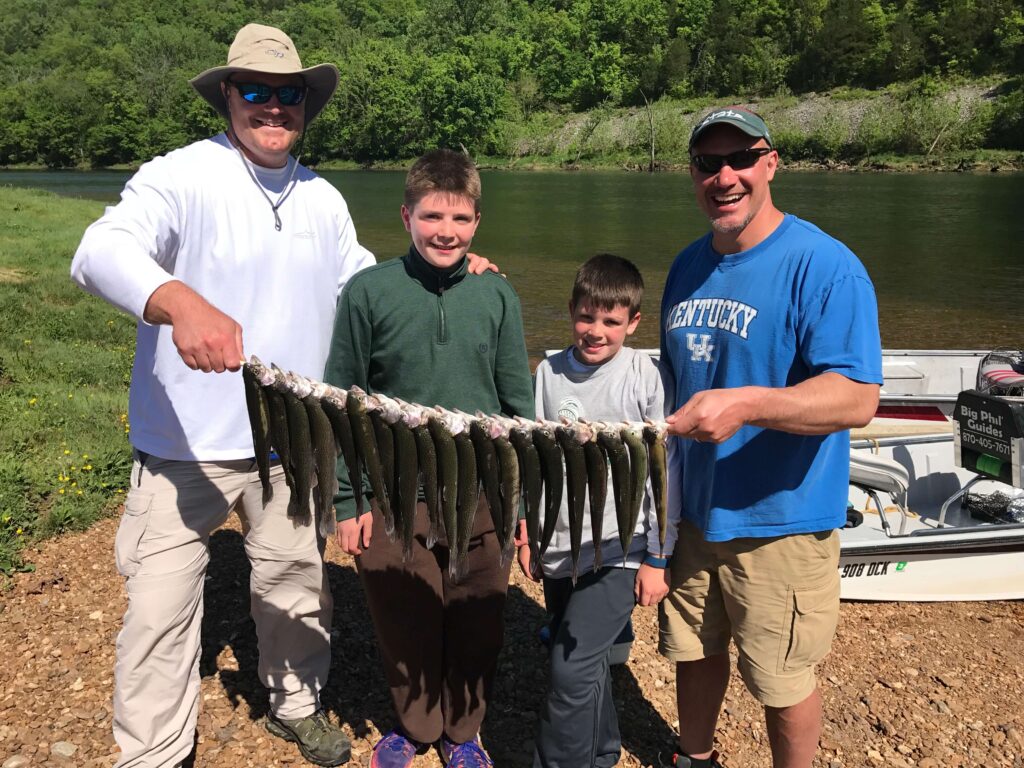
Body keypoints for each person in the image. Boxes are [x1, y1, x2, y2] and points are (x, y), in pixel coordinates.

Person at [69, 24, 496, 768]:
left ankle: (296, 706)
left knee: (297, 587)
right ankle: (151, 755)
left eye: (288, 94)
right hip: (184, 449)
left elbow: (365, 288)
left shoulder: (321, 198)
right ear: (228, 96)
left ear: (306, 104)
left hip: (292, 447)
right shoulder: (179, 175)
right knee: (159, 611)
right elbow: (98, 252)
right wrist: (175, 299)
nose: (273, 107)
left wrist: (450, 276)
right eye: (256, 91)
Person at [657, 107, 883, 768]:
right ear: (693, 174)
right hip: (694, 514)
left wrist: (750, 404)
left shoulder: (825, 265)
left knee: (781, 681)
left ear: (771, 163)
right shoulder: (685, 267)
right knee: (693, 651)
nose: (724, 176)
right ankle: (692, 756)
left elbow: (857, 397)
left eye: (741, 159)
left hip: (779, 521)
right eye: (707, 163)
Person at [324, 149, 535, 768]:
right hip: (392, 491)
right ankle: (416, 728)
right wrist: (347, 496)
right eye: (433, 215)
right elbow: (344, 403)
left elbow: (516, 407)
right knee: (405, 619)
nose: (447, 231)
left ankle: (463, 734)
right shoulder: (368, 292)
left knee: (477, 622)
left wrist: (519, 502)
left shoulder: (497, 295)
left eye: (462, 219)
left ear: (477, 223)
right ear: (406, 214)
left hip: (481, 494)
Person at [517, 254, 676, 768]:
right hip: (560, 543)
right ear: (571, 311)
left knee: (569, 666)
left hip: (621, 547)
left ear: (633, 322)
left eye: (611, 321)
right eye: (587, 317)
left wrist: (658, 556)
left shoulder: (646, 377)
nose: (595, 331)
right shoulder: (548, 373)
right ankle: (602, 752)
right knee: (586, 663)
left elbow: (664, 473)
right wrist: (530, 533)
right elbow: (533, 460)